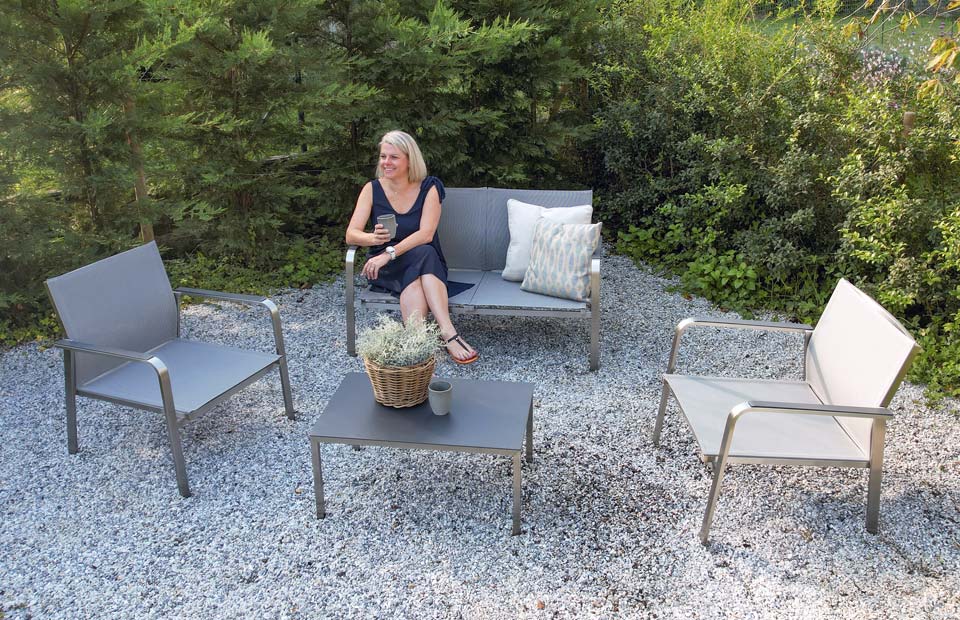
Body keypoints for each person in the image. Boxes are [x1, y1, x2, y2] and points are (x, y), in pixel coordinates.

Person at [345, 130, 479, 364]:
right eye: (383, 156)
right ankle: (448, 334)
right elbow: (351, 235)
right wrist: (373, 239)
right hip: (388, 266)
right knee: (422, 261)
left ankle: (418, 344)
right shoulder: (372, 189)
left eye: (394, 157)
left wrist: (389, 253)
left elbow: (426, 234)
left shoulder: (429, 187)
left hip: (418, 258)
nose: (386, 162)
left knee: (423, 255)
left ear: (410, 160)